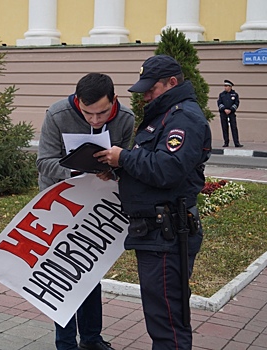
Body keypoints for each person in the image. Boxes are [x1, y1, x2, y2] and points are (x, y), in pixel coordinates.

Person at [94, 55, 212, 350]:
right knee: (162, 318)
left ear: (172, 82)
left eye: (151, 89)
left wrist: (124, 157)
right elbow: (154, 166)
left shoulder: (183, 118)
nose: (145, 96)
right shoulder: (166, 114)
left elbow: (168, 169)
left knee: (168, 324)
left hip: (166, 236)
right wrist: (120, 168)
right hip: (155, 234)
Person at [36, 72, 135, 350]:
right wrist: (77, 170)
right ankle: (65, 343)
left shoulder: (125, 118)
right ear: (77, 101)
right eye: (87, 113)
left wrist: (113, 169)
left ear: (113, 101)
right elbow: (44, 162)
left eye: (102, 113)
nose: (95, 120)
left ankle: (91, 339)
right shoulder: (57, 114)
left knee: (90, 271)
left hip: (97, 204)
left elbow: (126, 161)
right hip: (59, 203)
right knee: (63, 274)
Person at [217, 79, 242, 147]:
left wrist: (231, 110)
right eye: (225, 86)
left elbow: (236, 103)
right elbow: (219, 103)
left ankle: (236, 143)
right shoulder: (221, 95)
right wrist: (224, 109)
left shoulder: (235, 94)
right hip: (223, 113)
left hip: (231, 113)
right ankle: (226, 142)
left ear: (230, 87)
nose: (225, 87)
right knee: (224, 128)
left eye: (227, 86)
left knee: (234, 128)